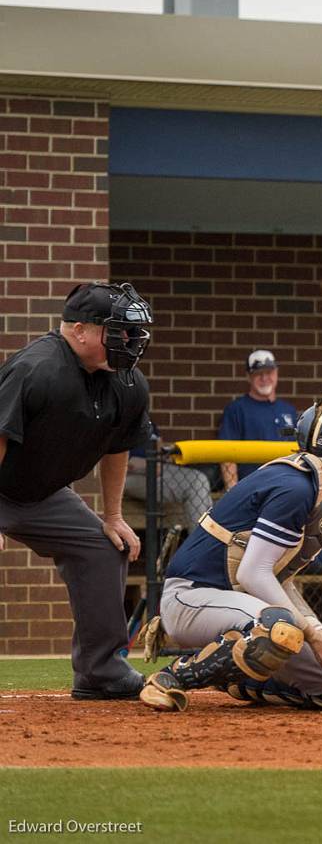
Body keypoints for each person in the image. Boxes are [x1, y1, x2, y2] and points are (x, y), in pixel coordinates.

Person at [139, 399, 322, 713]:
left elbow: (281, 583)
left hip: (234, 603)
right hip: (191, 596)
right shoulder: (295, 486)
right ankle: (171, 678)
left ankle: (238, 678)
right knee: (279, 626)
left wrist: (319, 631)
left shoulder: (321, 496)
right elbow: (253, 574)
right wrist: (311, 630)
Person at [0, 282, 154, 700]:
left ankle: (99, 674)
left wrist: (114, 516)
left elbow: (119, 446)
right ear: (80, 330)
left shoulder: (128, 383)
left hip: (44, 494)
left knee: (104, 548)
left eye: (129, 332)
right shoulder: (36, 369)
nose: (127, 342)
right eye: (116, 331)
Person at [218, 350, 298, 491]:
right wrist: (234, 492)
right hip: (251, 487)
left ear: (276, 373)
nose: (264, 378)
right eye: (258, 374)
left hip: (286, 485)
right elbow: (226, 456)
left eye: (269, 372)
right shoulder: (236, 409)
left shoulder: (289, 410)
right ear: (249, 377)